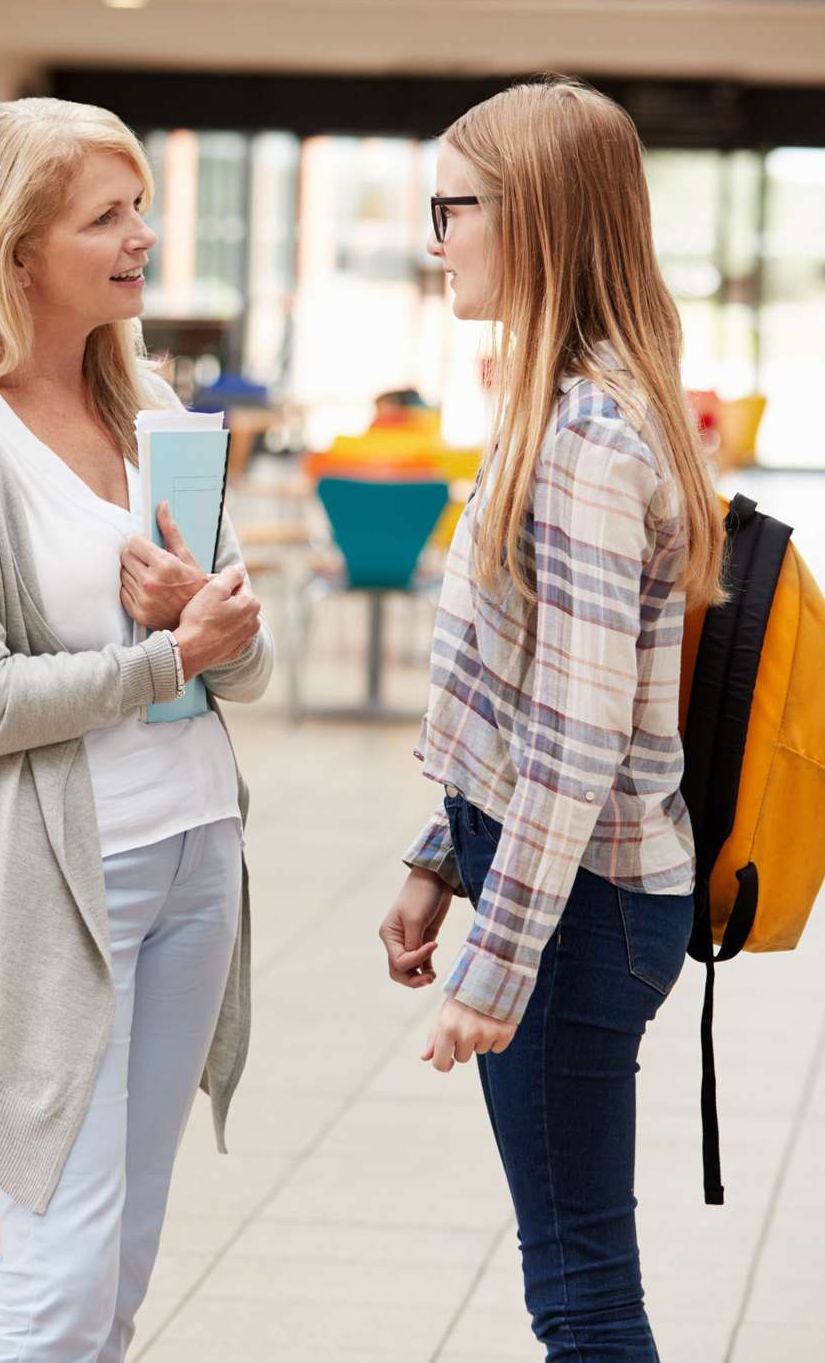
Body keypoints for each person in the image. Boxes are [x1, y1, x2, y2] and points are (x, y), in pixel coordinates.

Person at [0, 97, 274, 1362]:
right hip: (60, 883)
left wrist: (213, 627)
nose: (143, 235)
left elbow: (240, 664)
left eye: (140, 206)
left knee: (124, 1263)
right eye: (108, 215)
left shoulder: (146, 395)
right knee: (60, 1269)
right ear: (17, 248)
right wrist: (161, 650)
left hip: (197, 850)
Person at [379, 77, 725, 1362]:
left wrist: (497, 964)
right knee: (577, 1269)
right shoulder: (579, 400)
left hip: (579, 916)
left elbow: (579, 739)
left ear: (527, 220)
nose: (437, 236)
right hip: (570, 889)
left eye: (450, 207)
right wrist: (441, 855)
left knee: (579, 1290)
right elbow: (536, 699)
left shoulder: (582, 433)